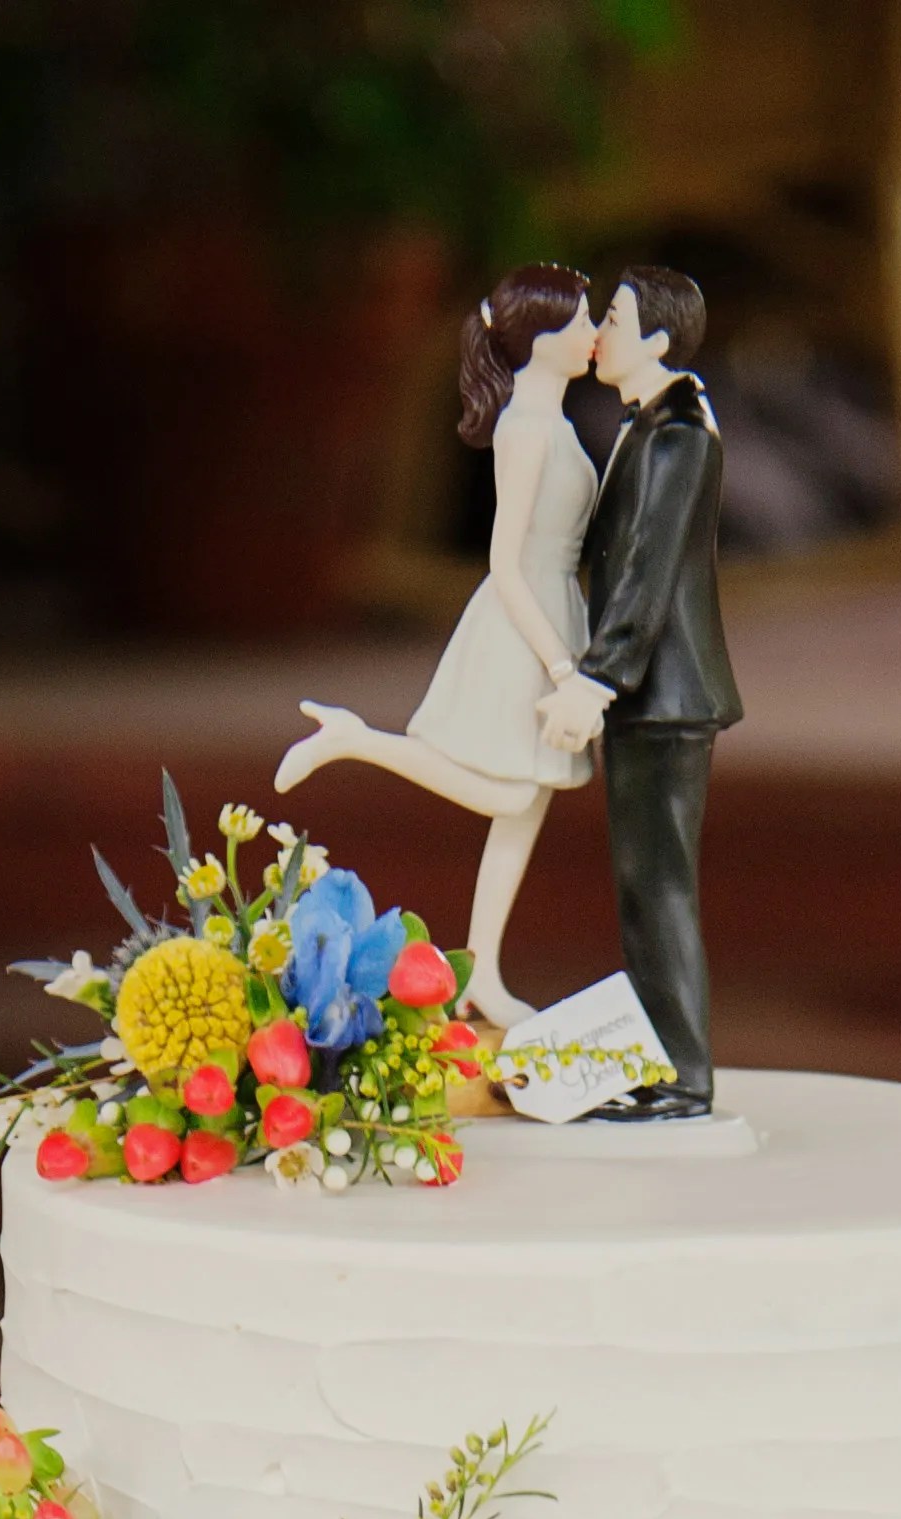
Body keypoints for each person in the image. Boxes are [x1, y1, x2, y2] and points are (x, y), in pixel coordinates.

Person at [275, 269, 599, 1031]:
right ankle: (358, 741)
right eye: (583, 320)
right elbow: (505, 562)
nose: (593, 334)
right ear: (542, 340)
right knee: (512, 794)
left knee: (526, 807)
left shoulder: (558, 420)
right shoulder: (524, 429)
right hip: (526, 622)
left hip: (559, 608)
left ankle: (483, 965)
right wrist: (559, 666)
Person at [536, 266, 742, 1120]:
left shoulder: (676, 436)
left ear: (656, 338)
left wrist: (598, 678)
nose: (602, 335)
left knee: (658, 887)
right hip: (650, 697)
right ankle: (662, 1062)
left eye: (614, 319)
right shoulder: (650, 425)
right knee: (642, 884)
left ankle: (682, 1077)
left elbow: (649, 576)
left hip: (662, 695)